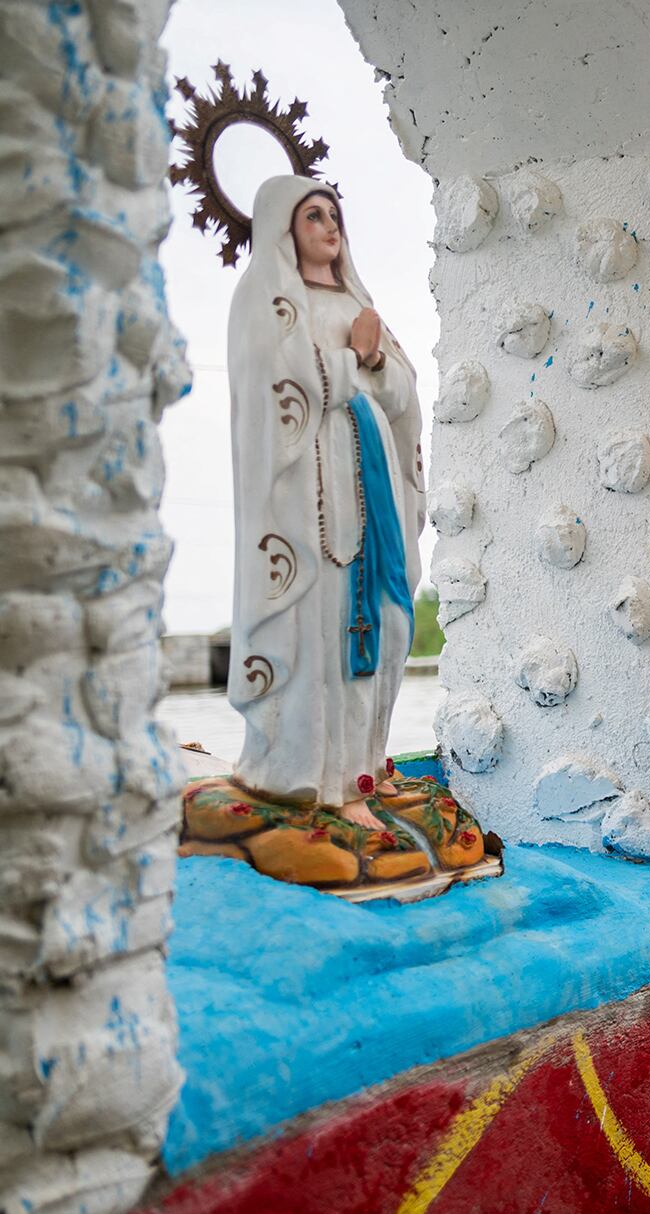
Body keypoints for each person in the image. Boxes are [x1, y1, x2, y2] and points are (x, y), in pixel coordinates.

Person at [226, 176, 424, 829]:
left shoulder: (355, 300)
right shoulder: (271, 300)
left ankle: (368, 765)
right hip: (311, 498)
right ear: (285, 226)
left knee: (389, 621)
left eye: (335, 215)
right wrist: (352, 361)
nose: (330, 227)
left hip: (373, 485)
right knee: (327, 628)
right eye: (314, 216)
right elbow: (271, 384)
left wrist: (375, 365)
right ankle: (323, 782)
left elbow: (400, 394)